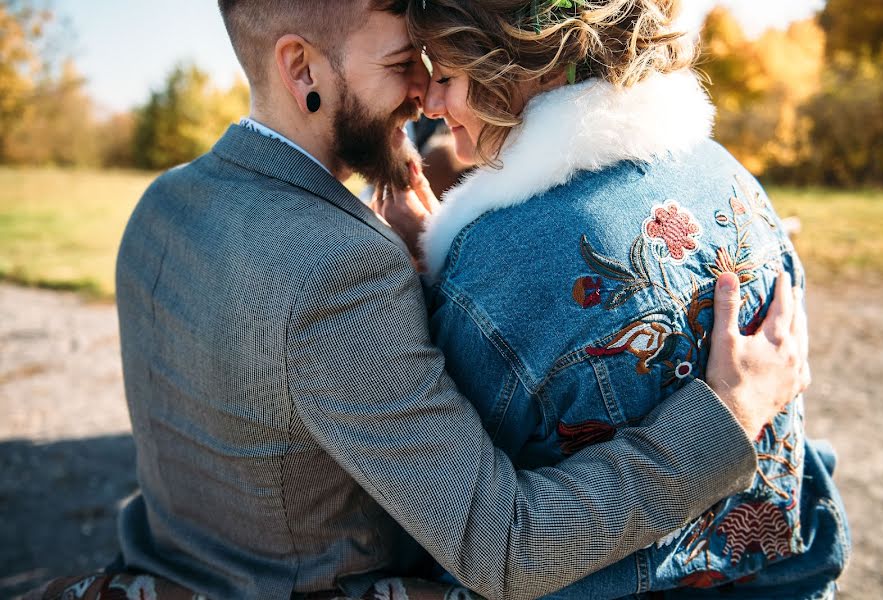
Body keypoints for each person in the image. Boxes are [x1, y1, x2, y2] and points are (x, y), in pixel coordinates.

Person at [47, 3, 806, 600]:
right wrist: (726, 422)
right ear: (297, 63)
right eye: (400, 63)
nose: (426, 93)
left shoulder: (163, 203)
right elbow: (505, 547)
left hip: (167, 560)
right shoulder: (339, 266)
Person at [374, 1, 850, 598]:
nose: (430, 104)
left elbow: (470, 530)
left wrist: (423, 292)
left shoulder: (498, 272)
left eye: (445, 74)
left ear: (528, 63)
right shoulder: (728, 175)